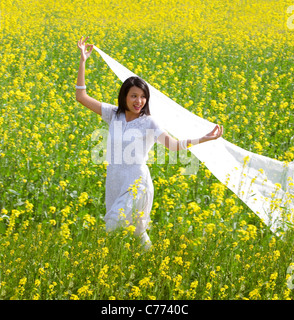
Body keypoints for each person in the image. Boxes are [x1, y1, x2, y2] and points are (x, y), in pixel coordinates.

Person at [76, 36, 224, 249]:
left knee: (112, 225)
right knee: (138, 232)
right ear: (124, 96)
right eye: (134, 96)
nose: (139, 101)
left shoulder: (149, 122)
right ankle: (152, 260)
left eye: (143, 97)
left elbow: (172, 145)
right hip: (115, 179)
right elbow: (81, 96)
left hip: (137, 181)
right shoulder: (113, 114)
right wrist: (83, 62)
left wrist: (203, 139)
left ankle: (108, 262)